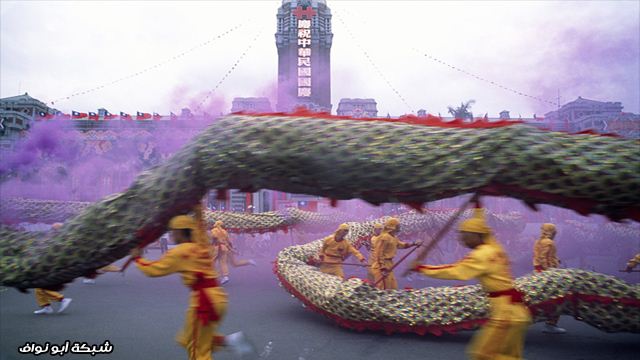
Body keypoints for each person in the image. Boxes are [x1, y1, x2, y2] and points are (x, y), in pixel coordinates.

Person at [130, 207, 255, 360]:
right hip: (218, 298)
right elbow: (200, 224)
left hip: (205, 302)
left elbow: (153, 270)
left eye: (173, 232)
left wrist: (137, 258)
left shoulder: (180, 252)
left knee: (197, 350)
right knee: (188, 338)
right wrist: (196, 206)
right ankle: (230, 341)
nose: (171, 235)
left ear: (181, 232)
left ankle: (228, 342)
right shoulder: (201, 244)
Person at [411, 208, 531, 360]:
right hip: (517, 311)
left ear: (477, 235)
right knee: (509, 356)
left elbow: (455, 271)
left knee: (483, 355)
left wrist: (421, 268)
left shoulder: (480, 255)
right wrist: (478, 207)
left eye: (464, 234)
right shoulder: (494, 247)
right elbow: (483, 228)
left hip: (506, 314)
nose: (461, 239)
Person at [532, 223, 566, 334]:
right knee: (558, 298)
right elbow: (543, 258)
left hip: (537, 272)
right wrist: (550, 272)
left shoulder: (538, 241)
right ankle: (551, 323)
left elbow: (541, 257)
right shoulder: (549, 242)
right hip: (548, 273)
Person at [34, 222, 72, 314]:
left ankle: (61, 299)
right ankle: (46, 307)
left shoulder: (61, 240)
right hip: (50, 266)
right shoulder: (57, 239)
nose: (52, 231)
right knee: (38, 287)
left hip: (53, 267)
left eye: (54, 229)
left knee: (41, 286)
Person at [371, 218, 417, 289]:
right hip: (381, 266)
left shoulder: (394, 238)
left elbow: (401, 245)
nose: (399, 227)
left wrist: (414, 244)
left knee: (392, 287)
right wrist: (383, 268)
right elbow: (379, 253)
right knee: (383, 288)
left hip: (389, 265)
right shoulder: (384, 237)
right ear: (392, 226)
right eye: (397, 225)